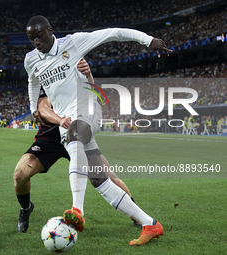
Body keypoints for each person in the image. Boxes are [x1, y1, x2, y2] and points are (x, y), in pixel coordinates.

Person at [25, 15, 171, 245]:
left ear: (50, 31)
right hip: (68, 120)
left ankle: (77, 210)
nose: (36, 41)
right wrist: (34, 107)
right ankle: (150, 224)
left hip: (88, 108)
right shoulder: (31, 60)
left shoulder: (72, 43)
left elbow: (112, 32)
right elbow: (33, 82)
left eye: (39, 36)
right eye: (31, 38)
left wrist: (147, 39)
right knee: (98, 179)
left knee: (75, 134)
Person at [15, 59, 140, 233]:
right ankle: (26, 207)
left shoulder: (76, 82)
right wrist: (60, 120)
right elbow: (43, 108)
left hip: (76, 136)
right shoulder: (49, 82)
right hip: (49, 139)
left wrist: (88, 74)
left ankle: (136, 213)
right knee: (19, 175)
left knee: (107, 176)